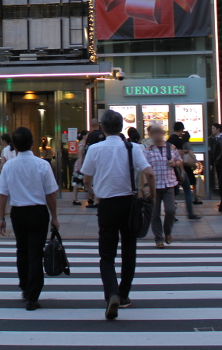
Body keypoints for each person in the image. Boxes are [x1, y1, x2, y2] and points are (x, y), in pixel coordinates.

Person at [80, 110, 155, 320]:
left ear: (102, 128)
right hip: (129, 204)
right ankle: (123, 294)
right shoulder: (133, 147)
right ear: (121, 127)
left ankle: (111, 293)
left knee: (107, 254)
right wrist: (153, 195)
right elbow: (149, 173)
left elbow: (86, 178)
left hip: (107, 205)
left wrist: (92, 192)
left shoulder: (95, 149)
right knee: (129, 250)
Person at [0, 127, 59, 311]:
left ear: (14, 146)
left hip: (18, 213)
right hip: (38, 212)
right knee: (36, 253)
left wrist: (1, 218)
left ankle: (24, 286)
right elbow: (51, 194)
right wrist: (54, 217)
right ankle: (33, 295)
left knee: (22, 250)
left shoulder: (9, 166)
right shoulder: (42, 165)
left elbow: (2, 195)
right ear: (32, 143)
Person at [142, 125, 181, 248]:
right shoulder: (148, 150)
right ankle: (158, 238)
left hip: (169, 183)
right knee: (155, 213)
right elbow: (144, 169)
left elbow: (180, 160)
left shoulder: (171, 147)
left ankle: (168, 232)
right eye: (154, 133)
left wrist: (174, 163)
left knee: (170, 210)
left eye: (159, 133)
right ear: (151, 135)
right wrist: (146, 185)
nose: (157, 135)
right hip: (154, 186)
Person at [72, 130, 89, 206]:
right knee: (78, 181)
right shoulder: (82, 144)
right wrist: (80, 167)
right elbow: (80, 156)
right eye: (87, 135)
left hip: (80, 164)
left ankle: (75, 198)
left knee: (78, 182)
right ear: (84, 136)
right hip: (81, 164)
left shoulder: (81, 143)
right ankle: (75, 198)